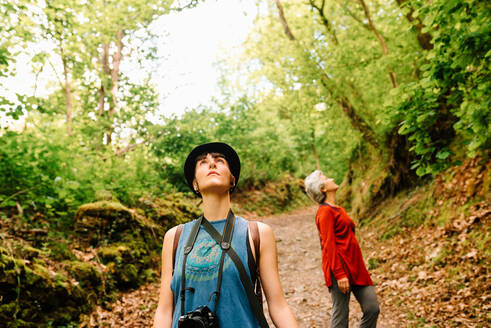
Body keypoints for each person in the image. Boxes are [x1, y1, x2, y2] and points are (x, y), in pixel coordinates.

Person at [154, 142, 298, 328]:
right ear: (195, 184)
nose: (212, 164)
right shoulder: (174, 237)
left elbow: (278, 306)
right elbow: (165, 310)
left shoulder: (257, 233)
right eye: (203, 162)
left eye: (219, 160)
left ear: (232, 180)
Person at [304, 170, 380, 328]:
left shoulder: (338, 209)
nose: (331, 177)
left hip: (356, 265)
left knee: (372, 308)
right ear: (322, 188)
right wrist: (339, 274)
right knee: (341, 314)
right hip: (339, 268)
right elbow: (328, 245)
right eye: (325, 178)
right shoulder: (324, 212)